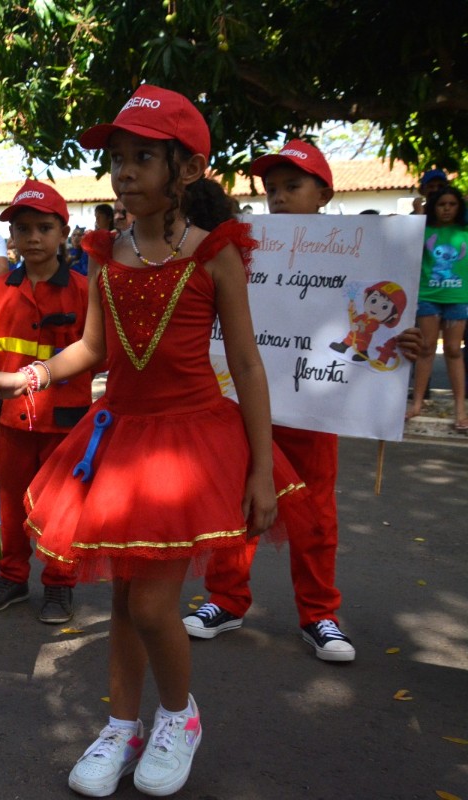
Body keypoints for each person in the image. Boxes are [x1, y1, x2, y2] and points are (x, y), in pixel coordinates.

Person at [0, 86, 307, 797]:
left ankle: (179, 715)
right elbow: (92, 348)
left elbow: (247, 363)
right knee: (126, 603)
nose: (123, 171)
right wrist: (30, 373)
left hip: (188, 444)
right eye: (117, 159)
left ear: (186, 171)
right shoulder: (105, 252)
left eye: (141, 158)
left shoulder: (216, 254)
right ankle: (121, 724)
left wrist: (259, 467)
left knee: (158, 606)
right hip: (120, 441)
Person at [186, 141, 423, 666]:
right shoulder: (241, 247)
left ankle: (319, 614)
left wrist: (404, 345)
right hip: (245, 406)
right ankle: (225, 600)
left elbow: (378, 333)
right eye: (271, 190)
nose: (279, 199)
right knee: (236, 503)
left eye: (292, 187)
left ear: (325, 193)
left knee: (314, 515)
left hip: (316, 409)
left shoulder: (365, 257)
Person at [0, 180, 90, 623]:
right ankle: (12, 577)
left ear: (63, 232)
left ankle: (59, 584)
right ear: (12, 238)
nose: (34, 238)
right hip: (12, 422)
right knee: (9, 502)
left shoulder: (83, 289)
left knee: (62, 506)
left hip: (67, 421)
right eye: (24, 229)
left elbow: (100, 355)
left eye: (44, 227)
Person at [408, 185, 468, 429]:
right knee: (426, 348)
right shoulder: (424, 230)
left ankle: (460, 408)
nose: (447, 209)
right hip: (428, 297)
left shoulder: (464, 231)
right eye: (442, 204)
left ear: (459, 207)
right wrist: (418, 211)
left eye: (452, 204)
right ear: (435, 206)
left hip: (458, 297)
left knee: (454, 350)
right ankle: (417, 403)